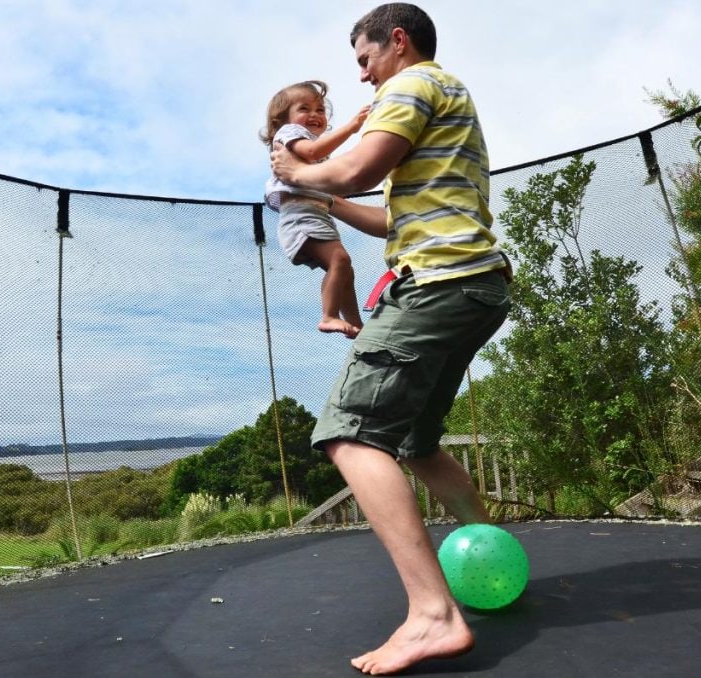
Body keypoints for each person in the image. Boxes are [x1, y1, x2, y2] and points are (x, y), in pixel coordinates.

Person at [270, 3, 512, 675]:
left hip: (438, 285)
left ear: (396, 42)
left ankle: (433, 615)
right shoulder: (444, 96)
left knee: (350, 433)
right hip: (475, 283)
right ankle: (486, 549)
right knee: (418, 443)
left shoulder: (410, 84)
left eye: (364, 58)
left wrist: (297, 173)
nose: (362, 75)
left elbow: (351, 169)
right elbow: (386, 216)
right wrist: (322, 203)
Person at [262, 80, 370, 337]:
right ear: (282, 120)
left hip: (315, 214)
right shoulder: (288, 134)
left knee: (345, 270)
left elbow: (333, 182)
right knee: (340, 260)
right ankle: (329, 316)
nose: (314, 114)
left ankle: (355, 325)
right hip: (300, 217)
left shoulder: (312, 150)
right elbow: (311, 151)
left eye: (320, 110)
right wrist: (352, 128)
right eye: (304, 108)